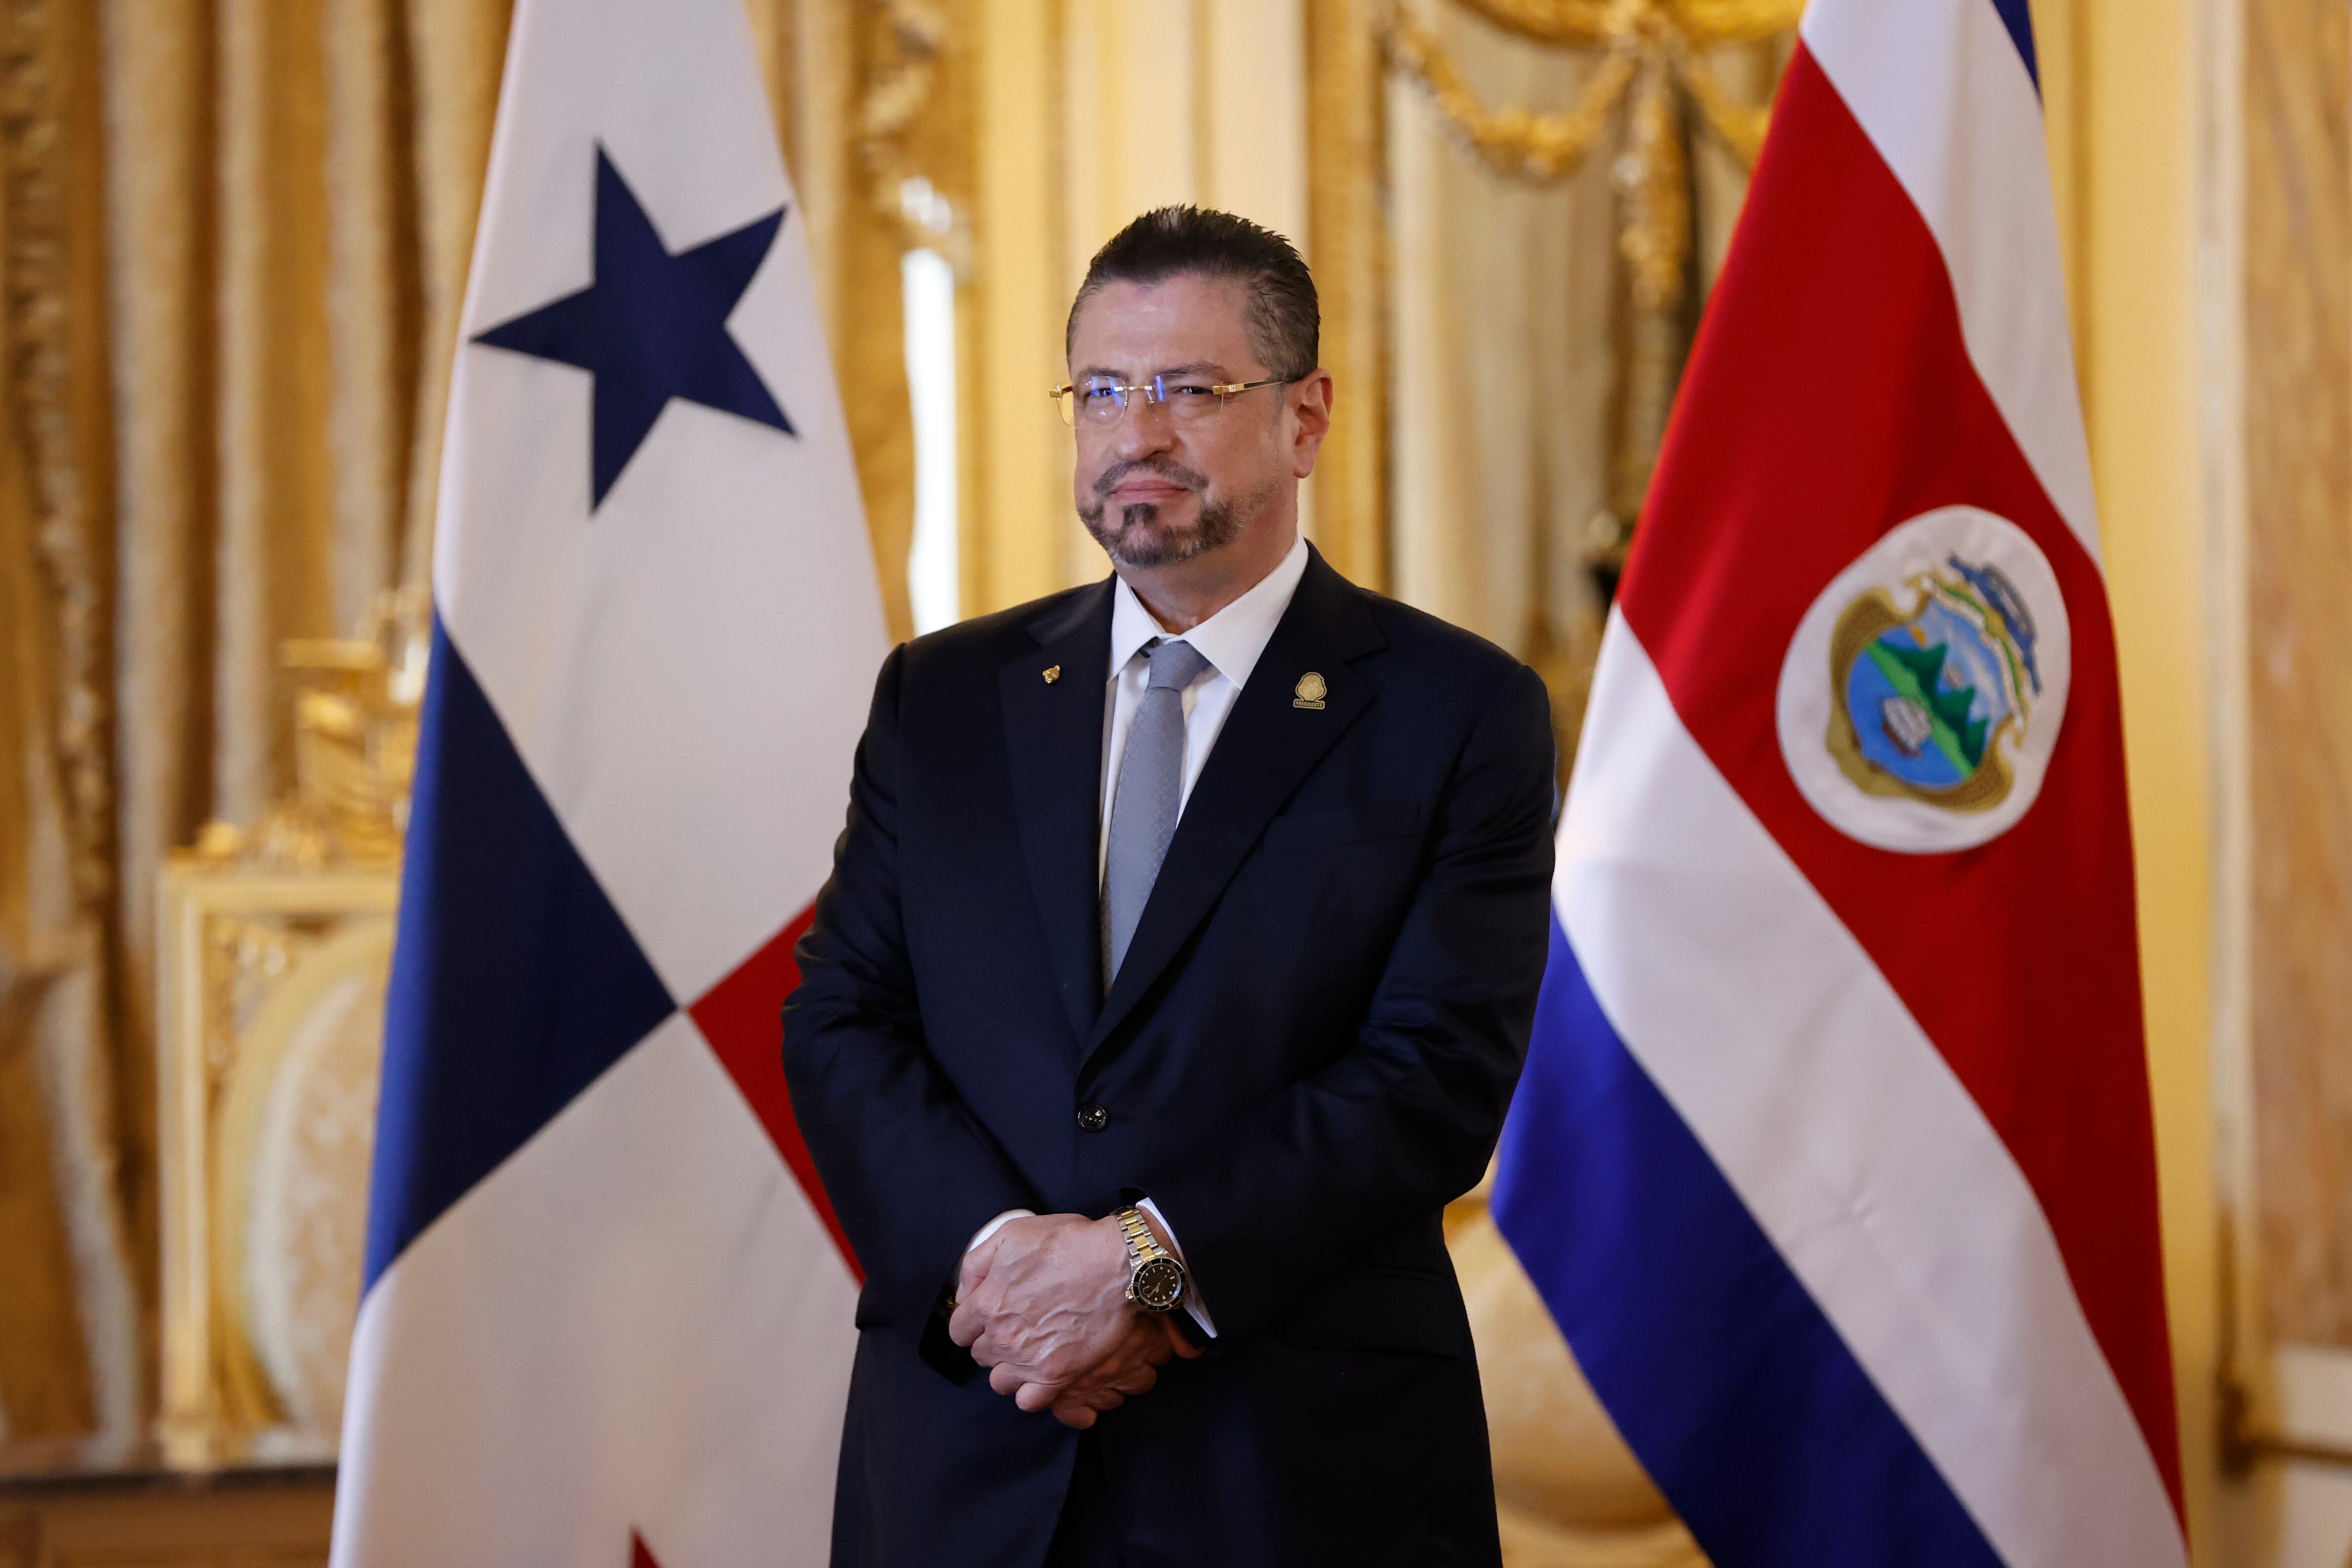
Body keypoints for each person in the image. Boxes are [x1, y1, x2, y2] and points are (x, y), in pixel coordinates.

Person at [783, 205, 1557, 1567]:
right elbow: (843, 1016)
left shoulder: (1454, 710)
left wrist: (1141, 1267)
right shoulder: (943, 698)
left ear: (1305, 415)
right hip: (973, 1441)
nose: (1134, 434)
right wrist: (997, 1263)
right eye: (1100, 391)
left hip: (1293, 1471)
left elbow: (1432, 1074)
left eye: (1190, 392)